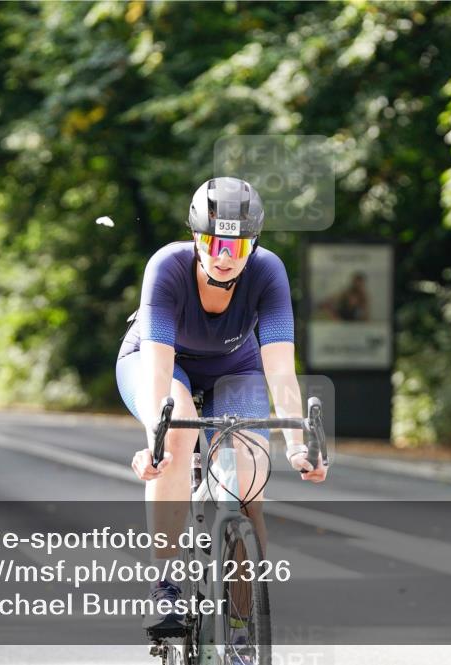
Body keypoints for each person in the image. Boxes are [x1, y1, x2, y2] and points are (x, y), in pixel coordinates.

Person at [116, 177, 328, 645]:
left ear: (253, 243)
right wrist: (155, 436)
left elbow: (279, 368)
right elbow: (157, 368)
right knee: (177, 432)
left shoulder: (268, 272)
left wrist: (297, 446)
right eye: (213, 240)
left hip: (236, 368)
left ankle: (242, 623)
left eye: (237, 243)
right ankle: (166, 584)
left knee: (249, 475)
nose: (224, 253)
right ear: (195, 236)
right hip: (160, 364)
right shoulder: (166, 268)